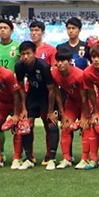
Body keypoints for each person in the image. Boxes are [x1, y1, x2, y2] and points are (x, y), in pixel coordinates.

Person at [14, 41, 62, 170]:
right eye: (23, 54)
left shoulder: (43, 66)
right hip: (33, 95)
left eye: (28, 53)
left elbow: (52, 90)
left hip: (46, 96)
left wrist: (51, 111)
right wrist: (23, 108)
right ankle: (29, 158)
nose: (25, 57)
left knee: (51, 123)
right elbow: (20, 88)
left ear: (35, 53)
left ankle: (51, 157)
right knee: (26, 124)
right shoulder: (19, 66)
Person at [51, 48, 89, 169]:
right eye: (58, 61)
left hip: (85, 103)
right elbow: (57, 93)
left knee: (86, 127)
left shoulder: (79, 75)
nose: (60, 64)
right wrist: (62, 114)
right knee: (65, 127)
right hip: (71, 102)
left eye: (64, 61)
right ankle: (66, 158)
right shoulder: (54, 73)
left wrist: (85, 116)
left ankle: (84, 159)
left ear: (70, 61)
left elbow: (85, 97)